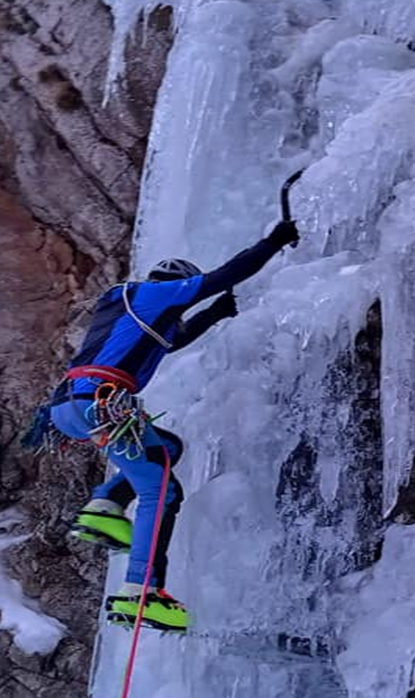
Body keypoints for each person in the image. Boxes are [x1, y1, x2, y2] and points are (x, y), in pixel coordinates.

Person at [43, 219, 300, 633]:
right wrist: (273, 242)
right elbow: (224, 276)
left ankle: (104, 507)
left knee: (165, 450)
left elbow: (171, 340)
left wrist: (213, 315)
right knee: (160, 490)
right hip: (99, 403)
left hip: (70, 407)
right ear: (175, 284)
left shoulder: (128, 312)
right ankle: (141, 593)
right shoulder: (152, 293)